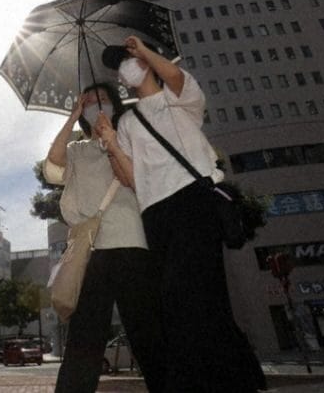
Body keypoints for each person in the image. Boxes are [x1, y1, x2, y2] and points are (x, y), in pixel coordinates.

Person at [96, 36, 267, 392]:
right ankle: (235, 378)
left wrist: (143, 50)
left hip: (193, 201)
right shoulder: (128, 122)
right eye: (119, 67)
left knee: (185, 292)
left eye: (126, 60)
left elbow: (174, 76)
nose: (123, 70)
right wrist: (111, 144)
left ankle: (211, 381)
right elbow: (130, 179)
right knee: (185, 298)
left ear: (145, 63)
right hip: (155, 213)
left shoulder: (179, 98)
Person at [44, 83, 165, 393]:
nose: (96, 105)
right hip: (91, 250)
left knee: (147, 331)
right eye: (88, 102)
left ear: (115, 104)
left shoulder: (130, 138)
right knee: (84, 337)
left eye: (103, 99)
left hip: (130, 241)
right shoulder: (77, 149)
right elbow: (52, 167)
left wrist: (112, 141)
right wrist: (72, 118)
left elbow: (139, 182)